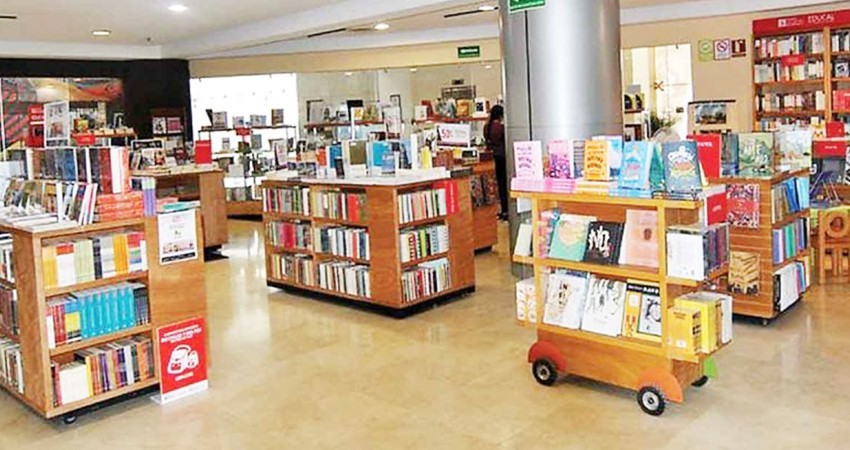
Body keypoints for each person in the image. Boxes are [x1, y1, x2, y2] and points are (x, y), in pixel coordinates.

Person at [484, 105, 508, 220]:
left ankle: (503, 210)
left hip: (496, 156)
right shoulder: (501, 127)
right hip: (504, 156)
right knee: (506, 184)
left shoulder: (487, 127)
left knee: (500, 184)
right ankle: (507, 211)